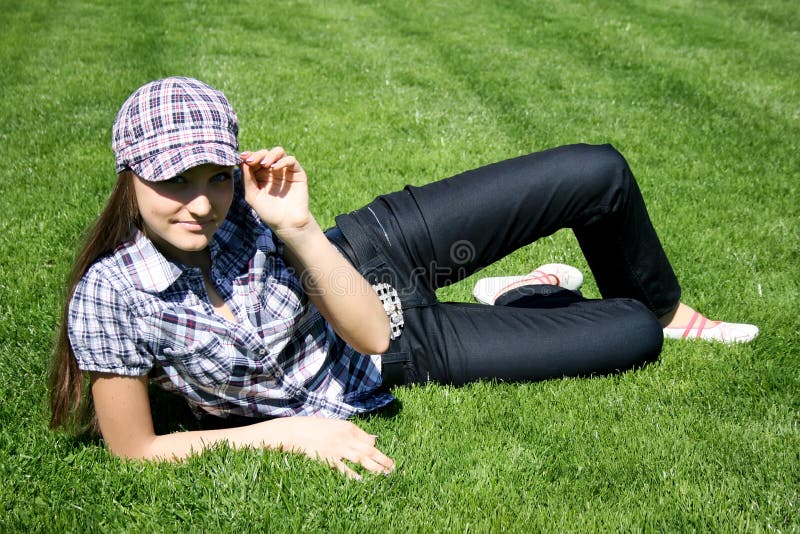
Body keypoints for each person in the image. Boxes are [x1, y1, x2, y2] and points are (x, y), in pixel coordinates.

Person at [49, 77, 758, 478]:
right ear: (131, 171)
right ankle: (529, 296)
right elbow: (136, 449)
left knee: (596, 172)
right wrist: (296, 432)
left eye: (214, 177)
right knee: (630, 334)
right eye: (173, 180)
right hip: (400, 354)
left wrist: (295, 225)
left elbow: (363, 314)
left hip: (376, 252)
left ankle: (668, 306)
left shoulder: (250, 210)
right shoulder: (111, 298)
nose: (201, 203)